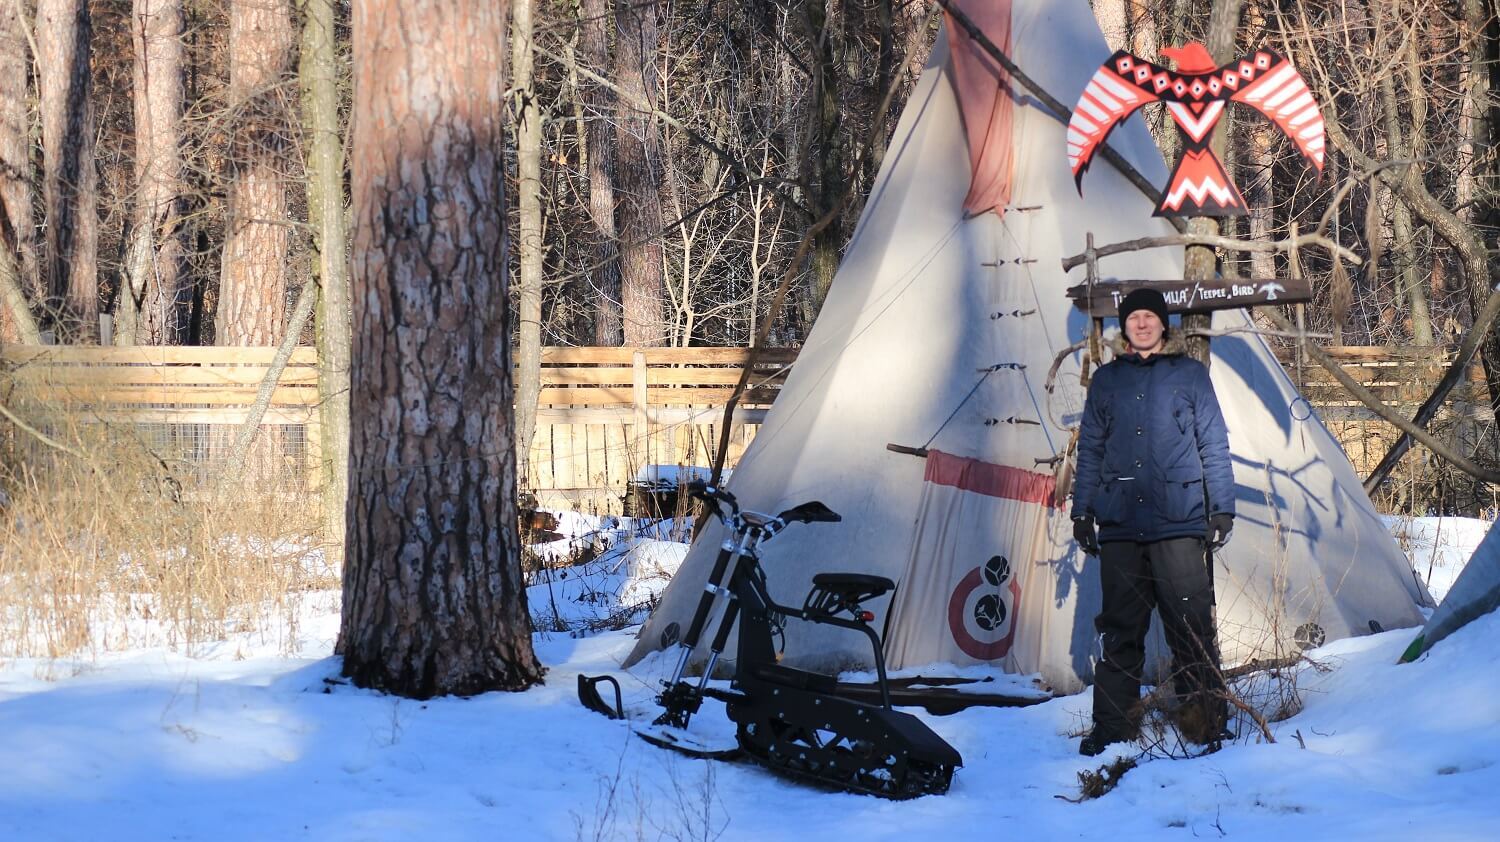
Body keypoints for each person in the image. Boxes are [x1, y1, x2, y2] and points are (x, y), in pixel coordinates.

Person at [1069, 287, 1236, 757]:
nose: (1142, 324)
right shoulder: (1107, 381)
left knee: (1190, 627)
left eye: (1150, 317)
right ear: (1125, 327)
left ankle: (1206, 723)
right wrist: (1083, 510)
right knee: (1121, 631)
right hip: (1120, 523)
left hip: (1178, 523)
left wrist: (1221, 507)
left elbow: (1213, 444)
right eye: (1134, 318)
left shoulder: (1190, 375)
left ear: (1164, 325)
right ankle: (1113, 731)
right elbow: (1092, 451)